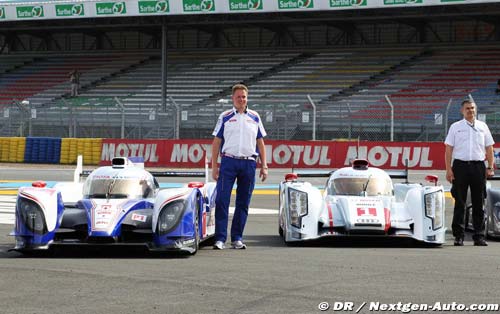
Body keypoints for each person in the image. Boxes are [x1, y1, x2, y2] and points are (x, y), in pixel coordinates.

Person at [211, 83, 268, 250]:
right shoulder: (225, 116)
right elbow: (216, 142)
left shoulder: (255, 117)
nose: (241, 100)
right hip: (228, 162)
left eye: (244, 97)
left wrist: (264, 165)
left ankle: (237, 238)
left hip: (249, 163)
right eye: (238, 97)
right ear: (233, 99)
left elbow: (261, 142)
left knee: (243, 202)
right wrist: (215, 166)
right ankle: (220, 238)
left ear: (247, 98)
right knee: (222, 200)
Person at [445, 99, 494, 246]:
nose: (471, 111)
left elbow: (489, 148)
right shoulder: (455, 127)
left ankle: (478, 235)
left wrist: (490, 166)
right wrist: (448, 169)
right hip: (460, 166)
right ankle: (458, 236)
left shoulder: (483, 126)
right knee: (459, 202)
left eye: (473, 108)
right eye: (467, 108)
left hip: (478, 166)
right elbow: (448, 149)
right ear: (462, 111)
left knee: (479, 202)